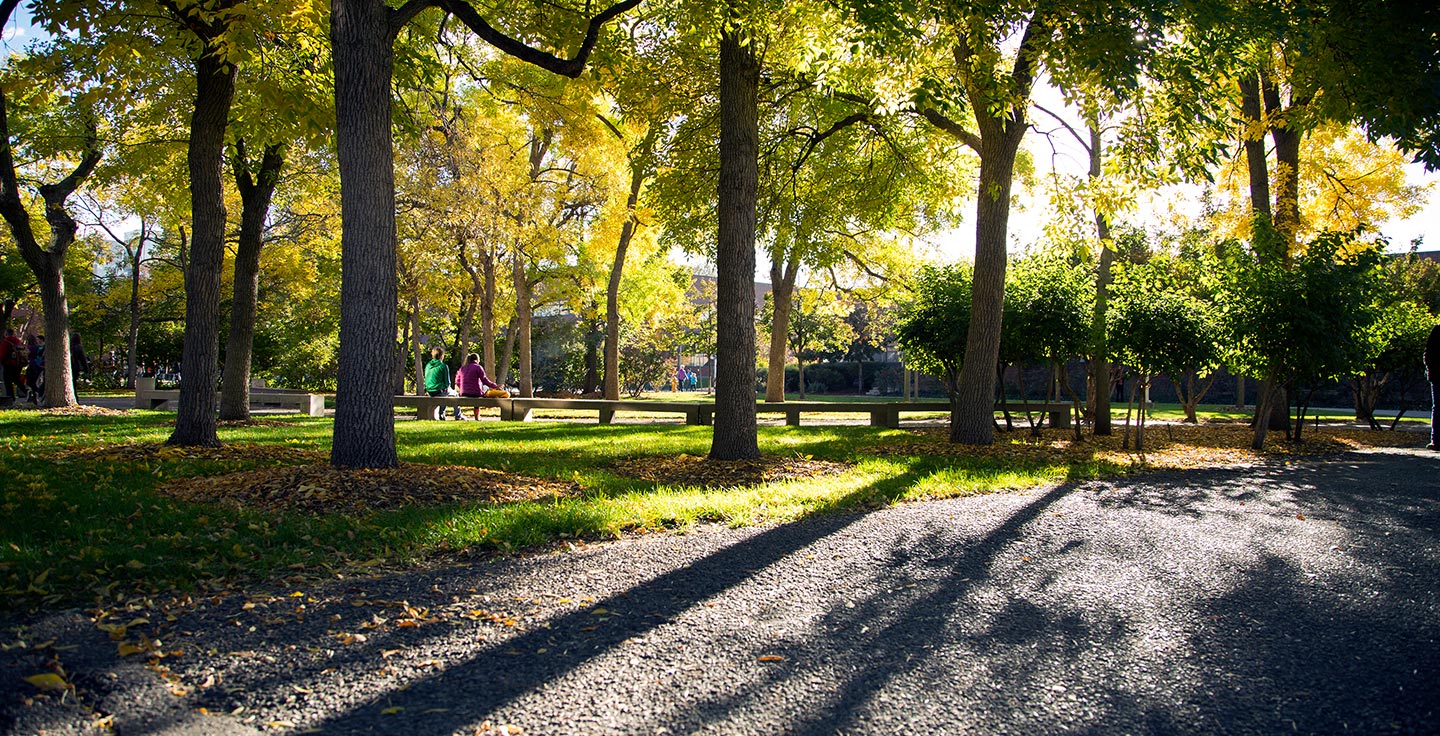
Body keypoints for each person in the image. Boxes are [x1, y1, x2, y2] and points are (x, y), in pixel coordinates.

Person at [455, 352, 503, 420]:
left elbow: (457, 381)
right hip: (475, 393)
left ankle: (477, 417)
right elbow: (484, 380)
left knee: (478, 389)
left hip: (464, 392)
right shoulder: (478, 367)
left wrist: (463, 388)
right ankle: (477, 417)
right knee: (484, 389)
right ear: (477, 359)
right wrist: (495, 386)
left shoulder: (462, 368)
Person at [423, 346, 454, 419]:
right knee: (454, 394)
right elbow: (447, 383)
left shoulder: (428, 365)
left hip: (429, 390)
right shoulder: (443, 366)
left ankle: (433, 417)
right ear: (441, 356)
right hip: (439, 390)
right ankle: (456, 415)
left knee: (434, 404)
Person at [1426, 323, 1440, 450]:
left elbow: (1428, 353)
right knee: (1438, 407)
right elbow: (1429, 353)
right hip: (1438, 375)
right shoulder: (1438, 330)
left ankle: (1436, 439)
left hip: (1436, 375)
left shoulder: (1437, 330)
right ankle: (1436, 440)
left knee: (1438, 408)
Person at [1, 328, 22, 401]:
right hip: (18, 364)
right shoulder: (18, 341)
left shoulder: (6, 342)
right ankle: (26, 391)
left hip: (8, 363)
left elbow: (2, 353)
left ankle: (10, 397)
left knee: (7, 381)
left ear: (6, 333)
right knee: (16, 379)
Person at [24, 334, 43, 406]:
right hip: (38, 365)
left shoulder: (29, 347)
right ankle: (35, 393)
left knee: (30, 381)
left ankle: (36, 392)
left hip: (32, 364)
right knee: (34, 381)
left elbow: (26, 355)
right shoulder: (37, 347)